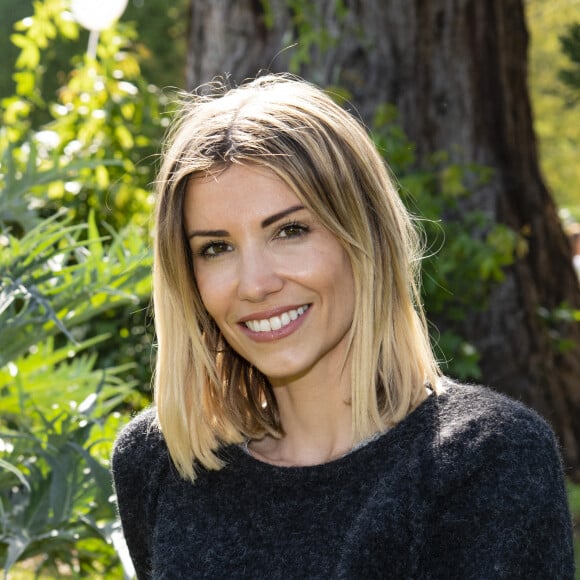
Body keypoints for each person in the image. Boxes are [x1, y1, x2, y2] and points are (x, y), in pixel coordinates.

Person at [111, 74, 574, 579]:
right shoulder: (160, 462)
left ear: (365, 235)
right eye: (215, 248)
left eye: (290, 231)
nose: (255, 284)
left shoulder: (485, 461)